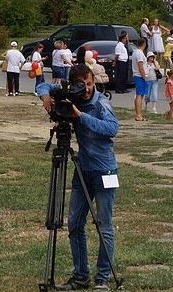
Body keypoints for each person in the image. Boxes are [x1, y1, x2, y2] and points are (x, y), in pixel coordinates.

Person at [38, 65, 119, 291]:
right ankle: (80, 275)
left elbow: (112, 128)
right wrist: (46, 96)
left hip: (105, 169)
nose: (86, 90)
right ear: (74, 83)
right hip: (83, 168)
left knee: (104, 225)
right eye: (81, 85)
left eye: (90, 84)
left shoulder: (101, 103)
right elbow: (44, 84)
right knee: (74, 223)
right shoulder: (72, 94)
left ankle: (103, 277)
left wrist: (80, 116)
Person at [131, 39, 149, 122]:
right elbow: (140, 66)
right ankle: (138, 115)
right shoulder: (139, 53)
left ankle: (138, 113)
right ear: (144, 44)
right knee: (139, 95)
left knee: (140, 95)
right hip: (139, 76)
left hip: (138, 75)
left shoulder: (136, 52)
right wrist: (144, 76)